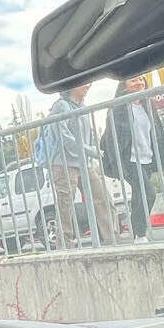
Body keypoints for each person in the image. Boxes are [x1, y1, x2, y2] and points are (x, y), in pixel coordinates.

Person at [32, 83, 117, 249]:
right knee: (65, 205)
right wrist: (90, 151)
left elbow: (87, 134)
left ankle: (111, 239)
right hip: (63, 163)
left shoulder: (82, 106)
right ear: (70, 87)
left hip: (83, 162)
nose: (88, 85)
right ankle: (65, 245)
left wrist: (90, 152)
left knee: (102, 198)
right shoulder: (61, 106)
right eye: (83, 83)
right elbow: (64, 137)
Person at [101, 76, 164, 242]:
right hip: (129, 160)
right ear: (124, 86)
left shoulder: (148, 106)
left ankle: (137, 234)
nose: (139, 83)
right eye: (133, 80)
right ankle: (140, 234)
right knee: (148, 193)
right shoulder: (117, 109)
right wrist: (118, 166)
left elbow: (159, 136)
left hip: (146, 159)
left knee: (139, 196)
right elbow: (110, 139)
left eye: (141, 80)